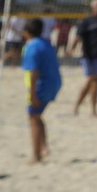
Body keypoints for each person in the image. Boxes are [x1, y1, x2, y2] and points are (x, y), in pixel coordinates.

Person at [21, 18, 62, 164]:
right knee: (38, 116)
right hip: (54, 82)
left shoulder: (31, 47)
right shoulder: (46, 43)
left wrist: (32, 94)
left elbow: (33, 72)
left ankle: (36, 156)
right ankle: (44, 148)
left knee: (33, 117)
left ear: (26, 32)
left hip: (43, 85)